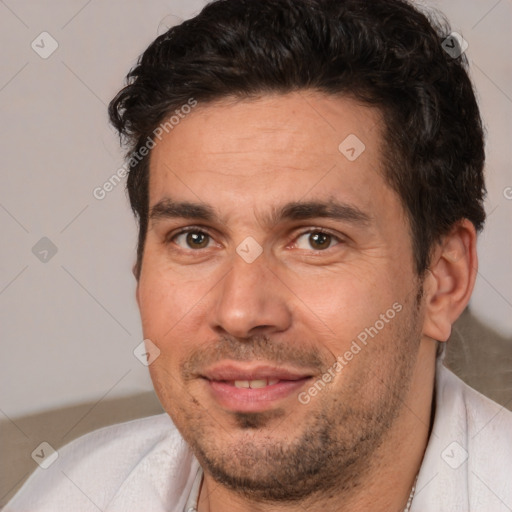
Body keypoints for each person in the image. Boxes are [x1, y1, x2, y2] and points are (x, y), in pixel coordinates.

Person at [5, 0, 512, 511]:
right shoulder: (67, 494)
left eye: (317, 239)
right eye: (195, 238)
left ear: (443, 281)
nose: (241, 313)